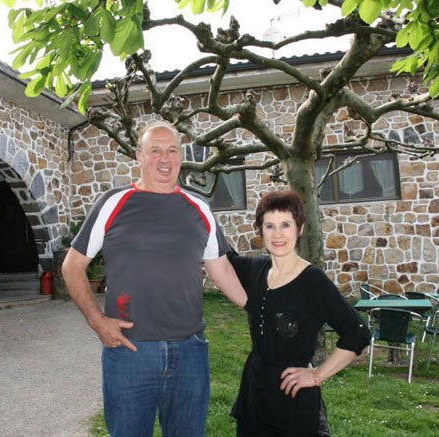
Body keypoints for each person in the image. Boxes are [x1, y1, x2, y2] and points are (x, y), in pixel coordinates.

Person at [61, 120, 247, 437]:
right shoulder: (113, 203)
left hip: (190, 351)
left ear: (181, 156)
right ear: (139, 156)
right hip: (129, 351)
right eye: (155, 151)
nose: (165, 159)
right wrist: (96, 320)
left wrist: (256, 308)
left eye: (172, 150)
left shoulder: (199, 208)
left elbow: (221, 269)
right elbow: (72, 266)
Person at [228, 190, 370, 436]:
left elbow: (357, 332)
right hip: (254, 393)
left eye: (286, 225)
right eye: (269, 226)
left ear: (300, 228)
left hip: (292, 398)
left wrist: (317, 375)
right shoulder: (257, 269)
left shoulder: (312, 280)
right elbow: (222, 255)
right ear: (261, 231)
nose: (277, 234)